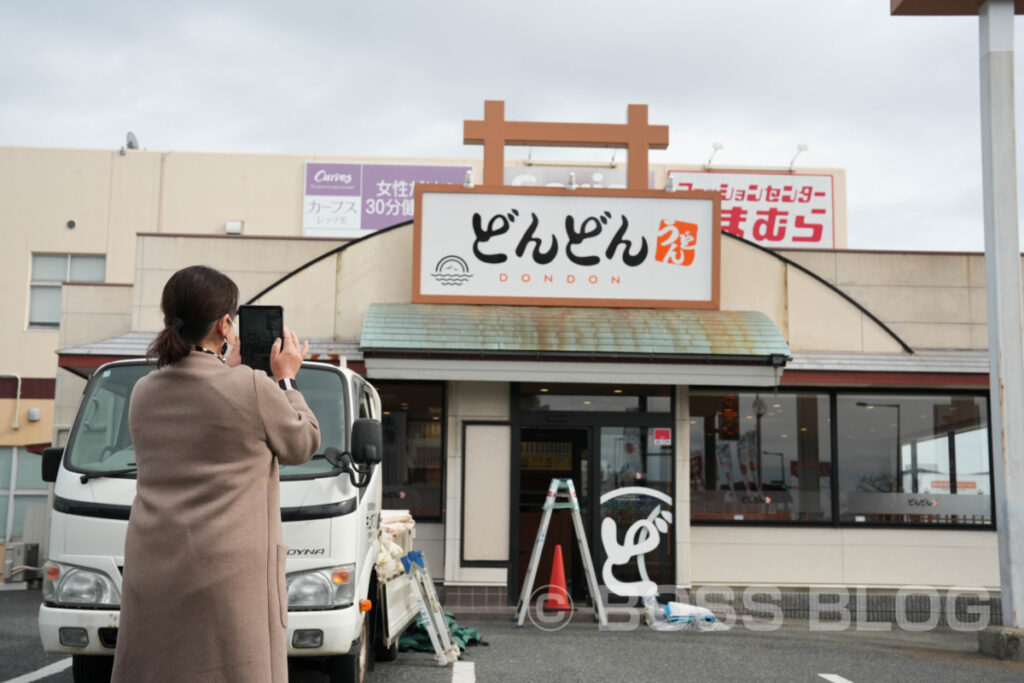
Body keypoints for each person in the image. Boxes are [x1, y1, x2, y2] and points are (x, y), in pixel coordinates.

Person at [111, 265, 321, 683]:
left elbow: (201, 406)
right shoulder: (252, 387)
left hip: (155, 563)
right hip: (228, 572)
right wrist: (286, 379)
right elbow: (304, 442)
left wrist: (229, 369)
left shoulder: (144, 391)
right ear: (226, 325)